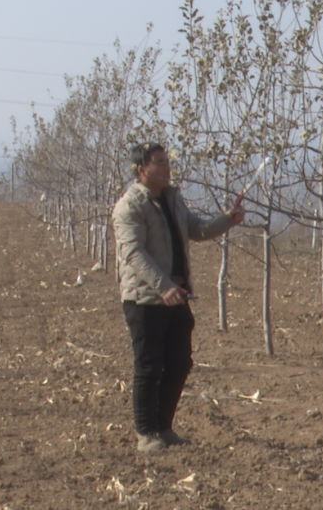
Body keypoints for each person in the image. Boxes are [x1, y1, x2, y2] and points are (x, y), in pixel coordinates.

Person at [111, 142, 243, 452]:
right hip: (145, 299)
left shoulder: (173, 200)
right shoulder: (130, 206)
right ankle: (146, 433)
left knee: (180, 363)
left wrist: (228, 219)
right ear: (141, 169)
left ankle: (163, 427)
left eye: (167, 161)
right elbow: (134, 253)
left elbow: (196, 230)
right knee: (148, 365)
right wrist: (163, 286)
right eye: (159, 162)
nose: (167, 167)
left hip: (178, 296)